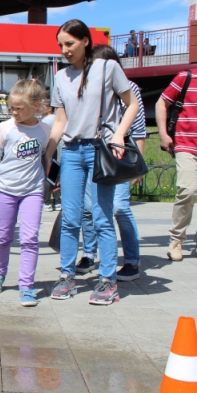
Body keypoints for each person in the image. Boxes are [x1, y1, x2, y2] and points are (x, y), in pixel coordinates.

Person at [45, 19, 140, 306]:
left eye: (70, 43)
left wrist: (120, 134)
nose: (64, 50)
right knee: (71, 218)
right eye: (61, 45)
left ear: (86, 41)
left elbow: (132, 102)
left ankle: (108, 282)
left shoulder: (108, 68)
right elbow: (60, 120)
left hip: (100, 150)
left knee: (101, 218)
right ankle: (67, 276)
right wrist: (48, 155)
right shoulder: (60, 77)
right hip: (72, 152)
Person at [75, 44, 147, 281]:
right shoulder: (87, 84)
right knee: (88, 209)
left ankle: (132, 261)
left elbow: (138, 130)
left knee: (119, 208)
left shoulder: (130, 88)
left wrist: (138, 164)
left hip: (117, 157)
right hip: (91, 152)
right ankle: (88, 253)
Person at [0, 80, 51, 306]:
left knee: (30, 239)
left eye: (19, 108)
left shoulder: (44, 129)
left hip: (32, 190)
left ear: (36, 105)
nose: (14, 112)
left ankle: (27, 286)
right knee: (3, 237)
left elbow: (48, 156)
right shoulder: (5, 127)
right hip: (6, 190)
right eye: (12, 107)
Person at [157, 65, 197, 261]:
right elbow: (161, 103)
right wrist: (163, 134)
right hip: (187, 145)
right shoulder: (186, 77)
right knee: (188, 190)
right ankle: (176, 240)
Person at [40, 104, 61, 212]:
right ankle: (57, 201)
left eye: (44, 106)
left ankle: (47, 202)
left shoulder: (46, 121)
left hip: (47, 149)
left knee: (46, 175)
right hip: (56, 148)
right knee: (55, 174)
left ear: (49, 108)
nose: (40, 108)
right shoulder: (57, 119)